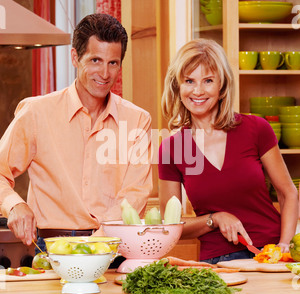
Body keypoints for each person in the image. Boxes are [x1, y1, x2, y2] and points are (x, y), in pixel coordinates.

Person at [0, 13, 152, 250]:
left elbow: (136, 194)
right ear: (75, 57)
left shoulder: (137, 120)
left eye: (112, 63)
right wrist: (14, 205)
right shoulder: (37, 112)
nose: (104, 73)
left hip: (114, 246)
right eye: (95, 60)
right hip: (51, 248)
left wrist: (96, 246)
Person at [158, 38, 299, 263]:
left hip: (269, 252)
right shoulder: (172, 148)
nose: (197, 91)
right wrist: (214, 219)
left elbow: (288, 193)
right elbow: (169, 226)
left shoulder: (256, 129)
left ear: (222, 85)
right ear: (178, 86)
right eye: (189, 81)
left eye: (208, 80)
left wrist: (284, 245)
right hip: (218, 262)